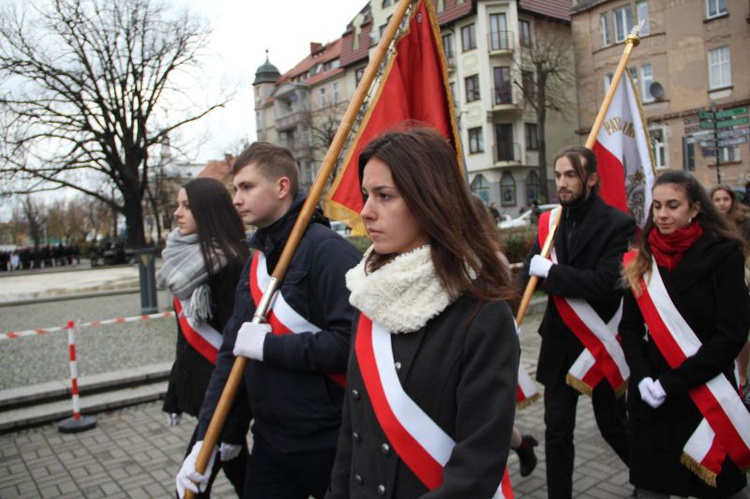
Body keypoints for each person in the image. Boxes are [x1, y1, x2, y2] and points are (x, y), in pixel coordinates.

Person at [326, 127, 520, 498]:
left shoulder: (483, 312)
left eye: (385, 196)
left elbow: (477, 467)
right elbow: (353, 433)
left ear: (430, 200)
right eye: (367, 195)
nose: (365, 211)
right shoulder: (369, 294)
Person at [175, 142, 361, 499]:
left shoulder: (327, 250)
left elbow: (351, 343)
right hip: (270, 443)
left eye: (246, 187)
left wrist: (270, 346)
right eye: (235, 189)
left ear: (281, 187)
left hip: (328, 441)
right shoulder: (256, 261)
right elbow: (230, 356)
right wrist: (205, 439)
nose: (235, 199)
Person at [620, 170, 750, 498]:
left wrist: (671, 383)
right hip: (653, 400)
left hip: (705, 391)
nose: (662, 214)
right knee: (650, 490)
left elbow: (732, 334)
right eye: (657, 206)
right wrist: (643, 378)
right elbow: (629, 329)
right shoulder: (642, 256)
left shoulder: (724, 253)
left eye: (673, 205)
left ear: (694, 209)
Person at [519, 145, 634, 499]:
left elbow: (604, 285)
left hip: (597, 345)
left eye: (571, 175)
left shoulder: (617, 224)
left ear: (592, 178)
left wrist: (552, 272)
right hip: (558, 341)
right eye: (558, 175)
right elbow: (530, 271)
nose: (563, 183)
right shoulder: (550, 223)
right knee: (556, 432)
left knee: (612, 426)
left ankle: (648, 480)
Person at [157, 177, 250, 497]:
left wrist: (235, 426)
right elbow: (185, 339)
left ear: (207, 211)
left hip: (224, 399)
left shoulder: (231, 263)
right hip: (203, 390)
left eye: (187, 206)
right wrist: (175, 394)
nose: (177, 213)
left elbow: (240, 350)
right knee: (243, 475)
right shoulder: (182, 258)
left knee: (192, 483)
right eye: (178, 205)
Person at [470, 194, 539, 478]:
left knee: (488, 416)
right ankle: (523, 445)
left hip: (490, 344)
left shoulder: (490, 258)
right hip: (472, 346)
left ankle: (519, 449)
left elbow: (502, 303)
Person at [710, 185, 750, 406]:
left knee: (742, 332)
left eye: (725, 199)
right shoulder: (708, 224)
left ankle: (742, 374)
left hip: (745, 276)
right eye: (717, 199)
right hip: (720, 281)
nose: (722, 203)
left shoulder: (744, 224)